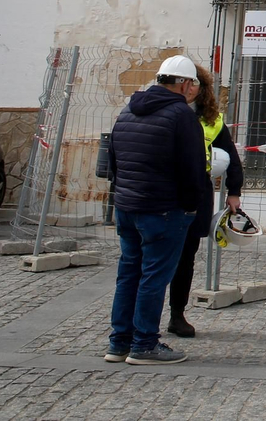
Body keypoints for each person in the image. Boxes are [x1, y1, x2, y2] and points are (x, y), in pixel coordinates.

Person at [103, 54, 208, 365]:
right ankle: (145, 343)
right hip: (164, 209)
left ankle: (118, 342)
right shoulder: (181, 116)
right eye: (195, 85)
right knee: (153, 276)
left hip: (127, 205)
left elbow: (113, 162)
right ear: (186, 85)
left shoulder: (127, 110)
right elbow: (192, 169)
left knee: (129, 273)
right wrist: (191, 207)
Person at [166, 64, 244, 338]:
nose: (189, 88)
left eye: (195, 83)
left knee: (186, 258)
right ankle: (144, 319)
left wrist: (234, 192)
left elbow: (231, 158)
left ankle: (177, 314)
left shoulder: (213, 121)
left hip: (197, 193)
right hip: (164, 192)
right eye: (185, 82)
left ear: (202, 88)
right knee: (155, 259)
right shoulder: (164, 112)